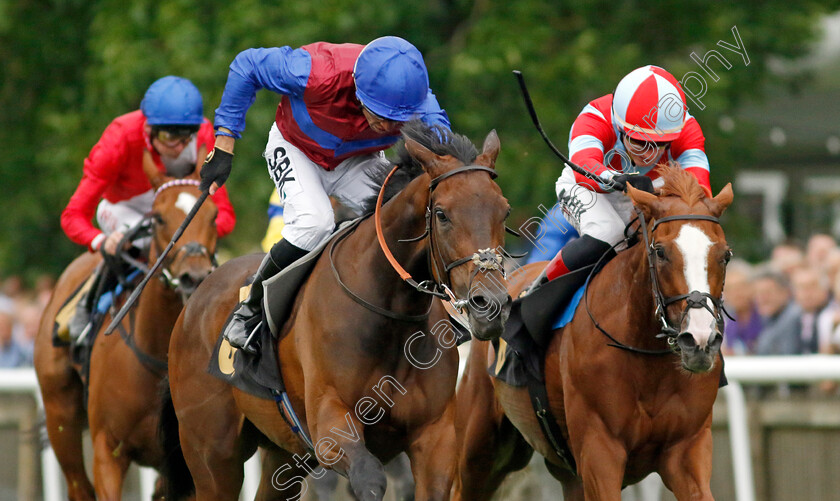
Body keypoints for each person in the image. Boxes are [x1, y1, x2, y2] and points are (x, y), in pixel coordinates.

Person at [199, 36, 451, 353]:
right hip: (297, 149)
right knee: (314, 224)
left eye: (397, 120)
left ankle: (435, 307)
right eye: (380, 115)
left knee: (404, 218)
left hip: (358, 160)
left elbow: (446, 149)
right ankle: (250, 309)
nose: (387, 126)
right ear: (359, 90)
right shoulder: (317, 72)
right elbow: (246, 64)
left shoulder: (418, 102)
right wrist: (224, 143)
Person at [60, 76, 237, 338]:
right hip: (124, 208)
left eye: (185, 137)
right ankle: (86, 306)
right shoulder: (119, 138)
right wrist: (100, 241)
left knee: (195, 250)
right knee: (142, 245)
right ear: (148, 129)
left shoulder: (203, 134)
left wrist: (200, 235)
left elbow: (224, 215)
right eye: (168, 137)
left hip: (176, 211)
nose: (179, 147)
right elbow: (73, 216)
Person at [543, 65, 712, 282]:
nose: (649, 153)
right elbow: (583, 165)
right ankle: (536, 293)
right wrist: (618, 180)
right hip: (588, 187)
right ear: (621, 128)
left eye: (660, 144)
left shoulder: (685, 127)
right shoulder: (595, 116)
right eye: (639, 142)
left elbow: (698, 179)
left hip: (649, 191)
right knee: (609, 232)